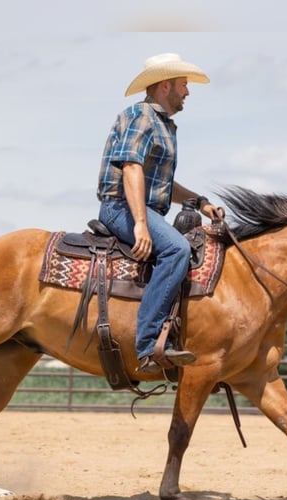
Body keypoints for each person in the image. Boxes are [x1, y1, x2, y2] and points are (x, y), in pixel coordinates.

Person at [96, 53, 222, 375]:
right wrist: (140, 223)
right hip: (120, 207)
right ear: (166, 85)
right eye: (184, 85)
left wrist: (201, 201)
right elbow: (131, 168)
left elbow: (163, 181)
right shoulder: (141, 115)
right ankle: (148, 344)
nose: (187, 92)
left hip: (143, 207)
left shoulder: (164, 124)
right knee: (177, 249)